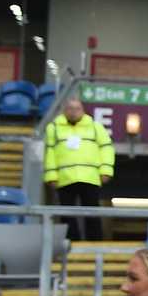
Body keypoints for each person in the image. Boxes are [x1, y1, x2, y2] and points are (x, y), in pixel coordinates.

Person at [43, 97, 115, 242]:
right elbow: (49, 153)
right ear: (64, 111)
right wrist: (51, 176)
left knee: (92, 213)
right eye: (70, 108)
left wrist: (106, 170)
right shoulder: (53, 128)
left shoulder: (95, 127)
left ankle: (95, 245)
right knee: (66, 214)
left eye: (77, 109)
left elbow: (107, 149)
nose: (74, 112)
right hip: (64, 178)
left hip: (90, 177)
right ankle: (71, 244)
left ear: (83, 111)